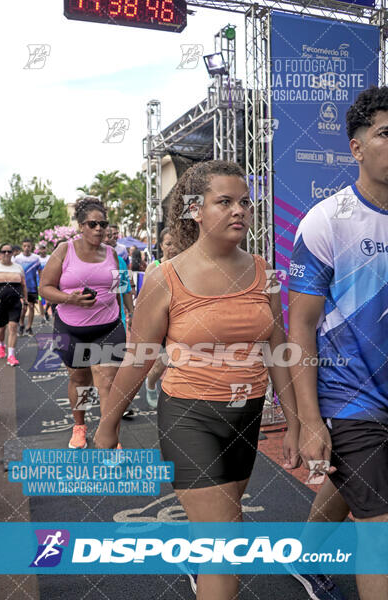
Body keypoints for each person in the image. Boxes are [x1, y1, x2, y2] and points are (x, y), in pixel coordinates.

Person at [94, 160, 301, 600]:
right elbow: (139, 356)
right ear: (193, 209)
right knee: (225, 539)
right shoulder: (164, 277)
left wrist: (297, 422)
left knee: (222, 525)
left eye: (244, 201)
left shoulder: (264, 270)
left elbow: (278, 349)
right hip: (189, 417)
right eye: (224, 201)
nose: (239, 210)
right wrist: (107, 426)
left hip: (247, 417)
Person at [289, 86, 388, 600]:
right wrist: (309, 422)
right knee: (380, 528)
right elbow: (300, 328)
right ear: (356, 148)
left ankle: (304, 558)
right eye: (386, 133)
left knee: (353, 483)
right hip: (352, 399)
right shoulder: (328, 221)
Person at [39, 196, 126, 450]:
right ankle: (80, 426)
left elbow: (119, 289)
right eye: (92, 224)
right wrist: (70, 298)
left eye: (103, 224)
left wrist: (126, 318)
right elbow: (44, 287)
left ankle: (109, 439)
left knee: (108, 381)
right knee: (80, 380)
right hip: (71, 327)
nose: (99, 229)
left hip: (108, 326)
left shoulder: (112, 253)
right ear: (80, 226)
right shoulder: (64, 251)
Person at [144, 227, 178, 408]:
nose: (172, 248)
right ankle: (150, 384)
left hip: (182, 318)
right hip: (160, 319)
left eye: (175, 243)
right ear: (161, 246)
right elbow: (146, 297)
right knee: (162, 361)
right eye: (168, 244)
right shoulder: (154, 267)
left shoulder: (186, 265)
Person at [0, 243, 28, 366]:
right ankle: (1, 345)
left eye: (9, 251)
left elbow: (23, 285)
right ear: (0, 254)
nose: (6, 254)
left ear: (12, 253)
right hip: (0, 302)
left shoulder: (18, 268)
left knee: (13, 327)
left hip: (15, 302)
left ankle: (11, 355)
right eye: (4, 251)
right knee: (1, 328)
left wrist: (25, 300)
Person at [14, 238, 41, 336]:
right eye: (25, 246)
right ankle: (21, 324)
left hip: (32, 287)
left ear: (31, 247)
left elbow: (40, 271)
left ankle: (29, 327)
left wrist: (40, 284)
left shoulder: (36, 258)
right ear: (22, 246)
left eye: (28, 246)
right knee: (23, 308)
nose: (26, 248)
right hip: (21, 287)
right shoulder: (17, 258)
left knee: (31, 306)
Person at [37, 242, 51, 322]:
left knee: (49, 300)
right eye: (41, 248)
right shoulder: (37, 259)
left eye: (44, 248)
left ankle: (46, 311)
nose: (42, 250)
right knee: (40, 299)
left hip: (49, 282)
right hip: (39, 282)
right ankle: (42, 316)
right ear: (39, 250)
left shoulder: (50, 257)